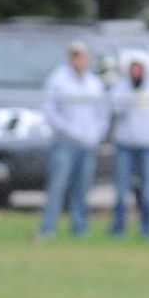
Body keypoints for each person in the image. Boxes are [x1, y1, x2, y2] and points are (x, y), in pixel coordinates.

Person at [38, 41, 109, 240]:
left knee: (83, 187)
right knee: (57, 186)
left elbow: (102, 114)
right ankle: (48, 227)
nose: (79, 60)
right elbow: (50, 111)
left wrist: (96, 135)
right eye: (75, 55)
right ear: (70, 57)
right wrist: (68, 131)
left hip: (88, 144)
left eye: (82, 56)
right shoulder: (58, 80)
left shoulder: (94, 83)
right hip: (64, 143)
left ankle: (79, 228)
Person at [108, 56, 149, 238]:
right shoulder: (121, 87)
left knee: (148, 189)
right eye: (133, 68)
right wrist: (131, 94)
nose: (136, 72)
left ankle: (147, 228)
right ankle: (118, 227)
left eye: (139, 68)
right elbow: (114, 110)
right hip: (125, 145)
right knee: (122, 189)